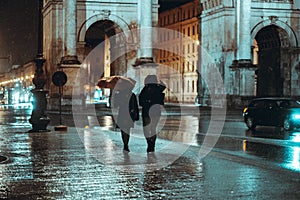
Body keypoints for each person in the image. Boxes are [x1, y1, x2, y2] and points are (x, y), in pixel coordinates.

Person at [139, 75, 166, 153]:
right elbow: (163, 86)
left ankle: (149, 143)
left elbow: (141, 101)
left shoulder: (145, 89)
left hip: (147, 111)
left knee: (146, 129)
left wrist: (147, 102)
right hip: (156, 111)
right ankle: (152, 144)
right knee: (153, 128)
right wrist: (159, 82)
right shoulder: (158, 89)